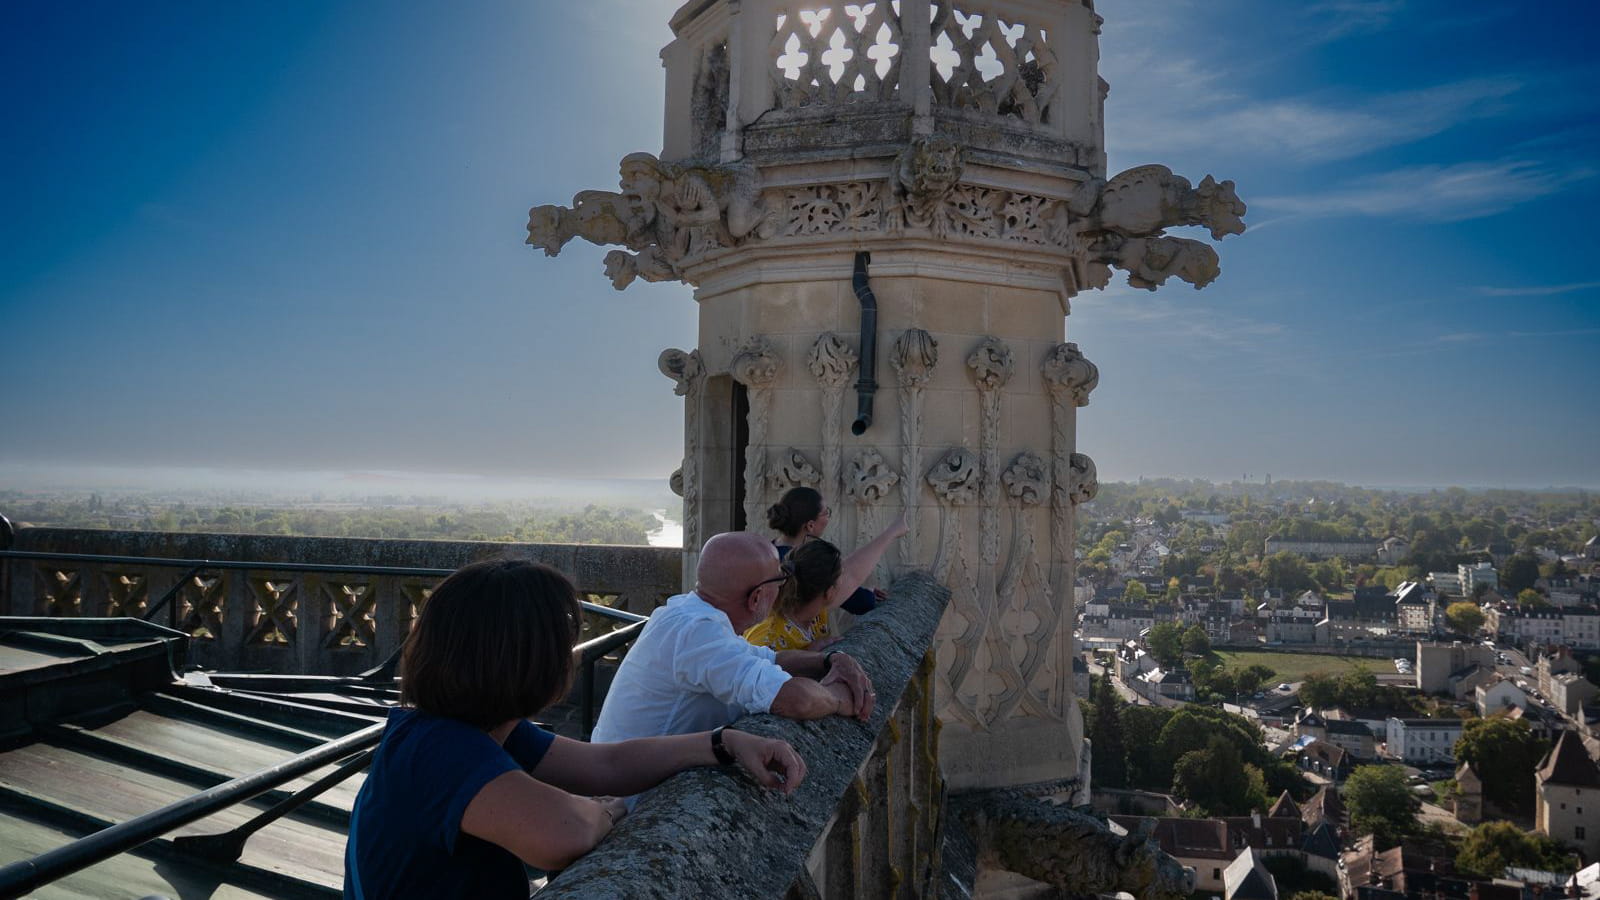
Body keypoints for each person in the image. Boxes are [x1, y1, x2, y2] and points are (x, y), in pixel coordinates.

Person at [344, 559, 806, 900]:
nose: (574, 654)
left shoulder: (473, 729)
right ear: (529, 661)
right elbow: (562, 835)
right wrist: (605, 814)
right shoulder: (439, 747)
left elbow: (605, 764)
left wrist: (723, 743)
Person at [590, 532, 876, 748]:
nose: (783, 590)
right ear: (756, 598)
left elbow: (770, 659)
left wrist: (831, 659)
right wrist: (840, 700)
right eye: (779, 582)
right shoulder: (699, 635)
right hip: (631, 806)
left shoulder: (683, 613)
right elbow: (795, 700)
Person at [746, 513, 909, 652]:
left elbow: (852, 574)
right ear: (829, 593)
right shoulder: (766, 634)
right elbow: (747, 677)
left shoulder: (812, 610)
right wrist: (806, 656)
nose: (845, 584)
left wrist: (893, 531)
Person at [767, 487, 884, 617]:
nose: (828, 518)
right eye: (826, 513)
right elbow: (862, 603)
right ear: (810, 525)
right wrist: (869, 594)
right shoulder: (805, 562)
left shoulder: (766, 550)